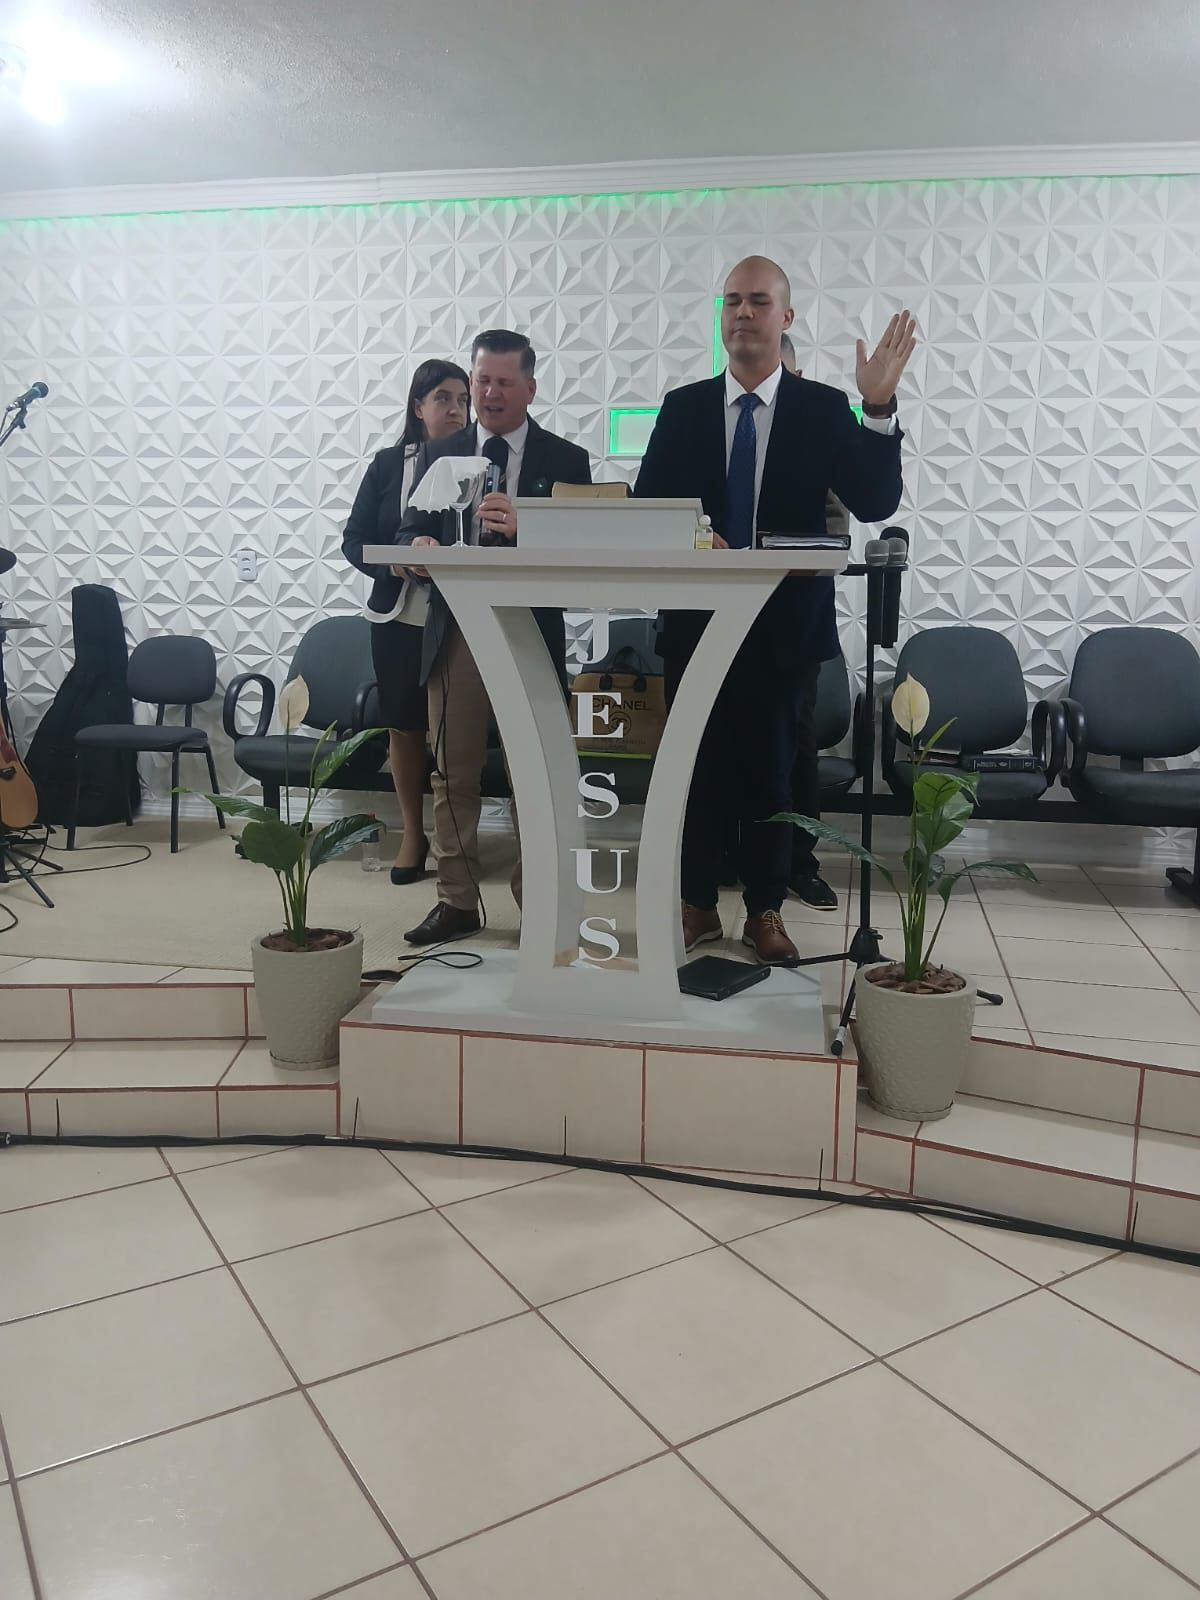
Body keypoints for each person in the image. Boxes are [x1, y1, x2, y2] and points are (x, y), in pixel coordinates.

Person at [635, 256, 914, 966]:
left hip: (784, 628)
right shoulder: (683, 408)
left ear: (785, 316)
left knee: (772, 774)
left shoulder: (821, 408)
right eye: (731, 300)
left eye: (758, 301)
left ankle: (765, 908)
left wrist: (878, 408)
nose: (743, 313)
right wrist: (690, 537)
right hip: (697, 625)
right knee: (696, 770)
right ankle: (696, 905)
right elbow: (647, 511)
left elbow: (875, 500)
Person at [396, 329, 592, 946]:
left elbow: (586, 552)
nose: (489, 393)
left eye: (505, 382)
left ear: (530, 389)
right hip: (456, 631)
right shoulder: (439, 452)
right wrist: (415, 546)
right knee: (451, 775)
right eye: (482, 380)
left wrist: (528, 530)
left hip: (528, 632)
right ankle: (456, 900)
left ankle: (539, 904)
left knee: (533, 774)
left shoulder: (567, 459)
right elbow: (405, 529)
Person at [342, 360, 470, 884]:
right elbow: (354, 540)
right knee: (405, 725)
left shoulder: (481, 462)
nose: (456, 409)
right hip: (399, 612)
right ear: (418, 406)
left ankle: (456, 842)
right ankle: (413, 835)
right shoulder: (388, 464)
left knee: (455, 731)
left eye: (462, 399)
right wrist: (399, 562)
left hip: (463, 616)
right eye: (443, 398)